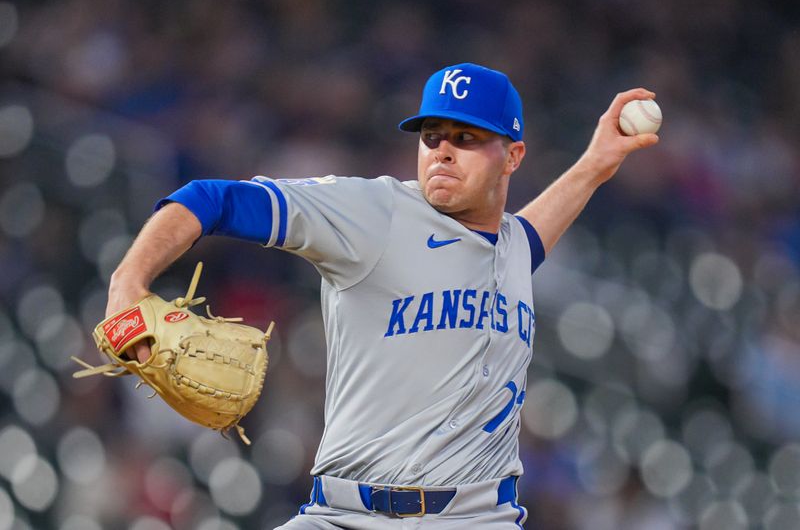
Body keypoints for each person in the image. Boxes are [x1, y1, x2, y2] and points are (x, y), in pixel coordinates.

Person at [106, 62, 658, 528]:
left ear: (513, 157)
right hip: (342, 515)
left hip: (476, 519)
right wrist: (127, 282)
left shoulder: (513, 247)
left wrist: (596, 165)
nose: (442, 151)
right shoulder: (374, 214)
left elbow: (530, 233)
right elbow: (212, 198)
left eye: (466, 138)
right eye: (431, 136)